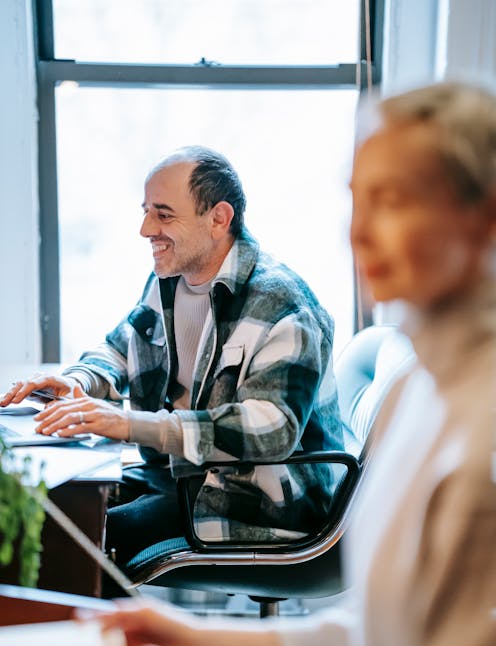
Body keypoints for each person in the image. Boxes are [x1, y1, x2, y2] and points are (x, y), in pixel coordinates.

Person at [77, 81, 496, 646]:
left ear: (488, 216)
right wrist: (193, 636)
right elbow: (389, 629)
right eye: (356, 200)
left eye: (395, 200)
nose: (358, 231)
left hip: (255, 498)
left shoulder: (483, 446)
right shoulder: (427, 384)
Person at [0, 146, 344, 562]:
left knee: (75, 542)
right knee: (54, 509)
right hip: (178, 474)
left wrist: (128, 424)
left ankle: (102, 628)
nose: (145, 229)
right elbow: (121, 346)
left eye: (164, 215)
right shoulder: (170, 275)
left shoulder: (284, 306)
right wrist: (79, 381)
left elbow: (270, 431)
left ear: (219, 218)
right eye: (146, 211)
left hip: (260, 502)